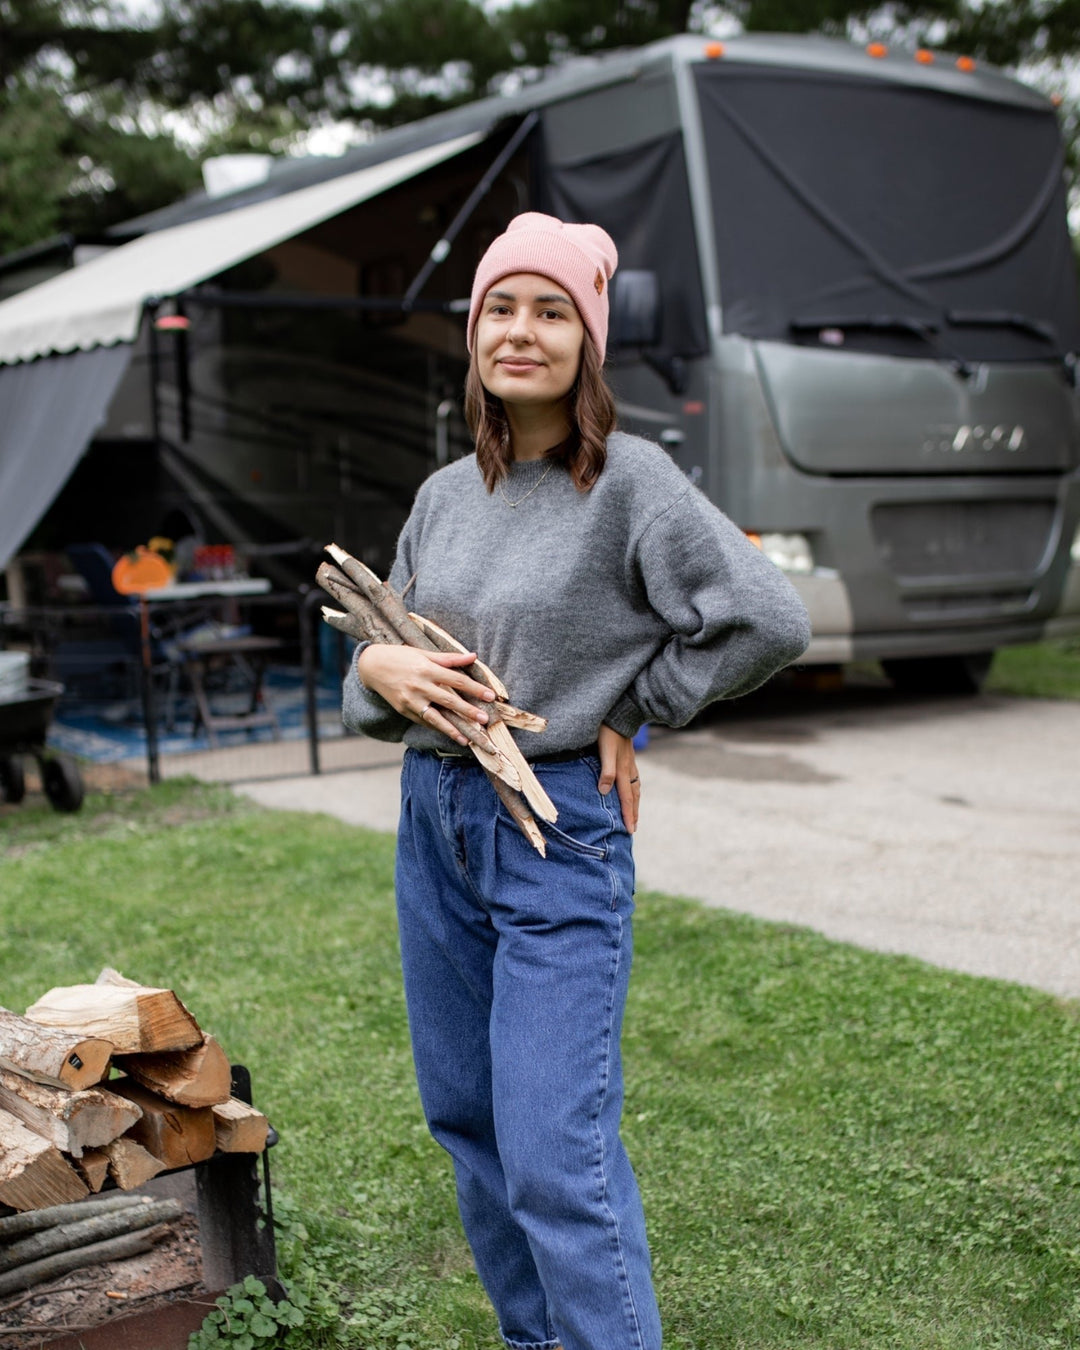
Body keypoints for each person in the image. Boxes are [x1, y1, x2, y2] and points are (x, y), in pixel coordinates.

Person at [342, 212, 811, 1350]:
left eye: (551, 311)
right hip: (436, 823)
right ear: (474, 336)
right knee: (471, 1123)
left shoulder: (632, 483)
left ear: (586, 343)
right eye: (502, 307)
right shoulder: (445, 496)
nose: (521, 331)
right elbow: (387, 668)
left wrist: (639, 708)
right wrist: (374, 663)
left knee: (555, 1152)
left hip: (555, 834)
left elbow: (767, 617)